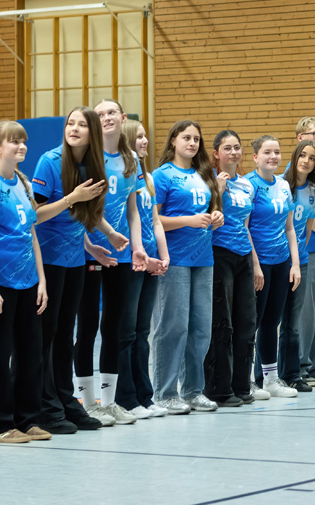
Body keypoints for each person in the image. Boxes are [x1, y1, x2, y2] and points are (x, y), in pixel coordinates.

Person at [31, 106, 108, 433]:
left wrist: (100, 239)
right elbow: (35, 215)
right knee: (46, 336)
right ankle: (45, 406)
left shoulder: (93, 164)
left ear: (92, 132)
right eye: (70, 123)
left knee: (65, 336)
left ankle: (64, 400)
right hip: (47, 261)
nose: (74, 128)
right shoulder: (49, 162)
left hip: (75, 260)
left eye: (81, 124)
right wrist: (72, 198)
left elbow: (85, 215)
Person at [0, 120, 50, 444]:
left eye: (23, 141)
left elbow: (32, 234)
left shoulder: (23, 182)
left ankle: (26, 419)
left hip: (27, 281)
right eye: (14, 141)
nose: (21, 146)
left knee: (30, 353)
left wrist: (42, 281)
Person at [75, 99, 144, 425]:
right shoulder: (88, 157)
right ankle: (88, 403)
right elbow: (82, 208)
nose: (105, 118)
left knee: (114, 326)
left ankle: (110, 402)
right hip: (88, 251)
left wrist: (137, 247)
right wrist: (102, 237)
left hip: (121, 253)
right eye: (99, 114)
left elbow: (133, 210)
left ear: (122, 117)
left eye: (111, 112)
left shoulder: (130, 159)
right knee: (88, 324)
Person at [151, 120, 221, 414]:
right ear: (173, 141)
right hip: (174, 260)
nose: (192, 143)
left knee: (201, 329)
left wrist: (216, 216)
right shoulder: (162, 175)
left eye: (196, 139)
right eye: (186, 138)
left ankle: (193, 391)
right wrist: (188, 221)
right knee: (173, 327)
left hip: (204, 260)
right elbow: (153, 219)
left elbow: (211, 210)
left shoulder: (205, 174)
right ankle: (165, 393)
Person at [117, 119, 169, 419]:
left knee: (142, 331)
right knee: (126, 332)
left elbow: (155, 221)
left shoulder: (147, 178)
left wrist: (163, 256)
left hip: (151, 261)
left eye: (145, 136)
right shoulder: (124, 177)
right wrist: (143, 256)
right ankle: (126, 398)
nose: (145, 141)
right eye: (138, 137)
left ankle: (144, 396)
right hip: (132, 261)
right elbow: (128, 218)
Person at [205, 129, 260, 406]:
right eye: (227, 148)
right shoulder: (209, 181)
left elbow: (246, 226)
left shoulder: (248, 185)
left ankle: (241, 385)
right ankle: (218, 388)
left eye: (237, 147)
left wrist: (255, 264)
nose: (233, 152)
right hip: (219, 254)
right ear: (216, 153)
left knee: (246, 322)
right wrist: (217, 189)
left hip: (243, 255)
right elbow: (205, 217)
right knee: (222, 323)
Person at [246, 135, 301, 399]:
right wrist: (255, 265)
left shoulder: (283, 185)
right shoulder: (249, 184)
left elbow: (290, 228)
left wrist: (295, 264)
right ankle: (244, 379)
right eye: (267, 152)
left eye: (277, 152)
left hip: (281, 262)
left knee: (271, 322)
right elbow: (244, 227)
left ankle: (270, 380)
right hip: (259, 263)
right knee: (251, 323)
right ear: (255, 157)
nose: (273, 157)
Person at [284, 139, 315, 391]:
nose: (306, 161)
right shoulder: (283, 186)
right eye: (302, 155)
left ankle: (298, 370)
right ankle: (269, 374)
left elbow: (308, 224)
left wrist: (301, 254)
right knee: (276, 321)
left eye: (312, 158)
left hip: (300, 258)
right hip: (278, 258)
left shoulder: (314, 190)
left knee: (298, 320)